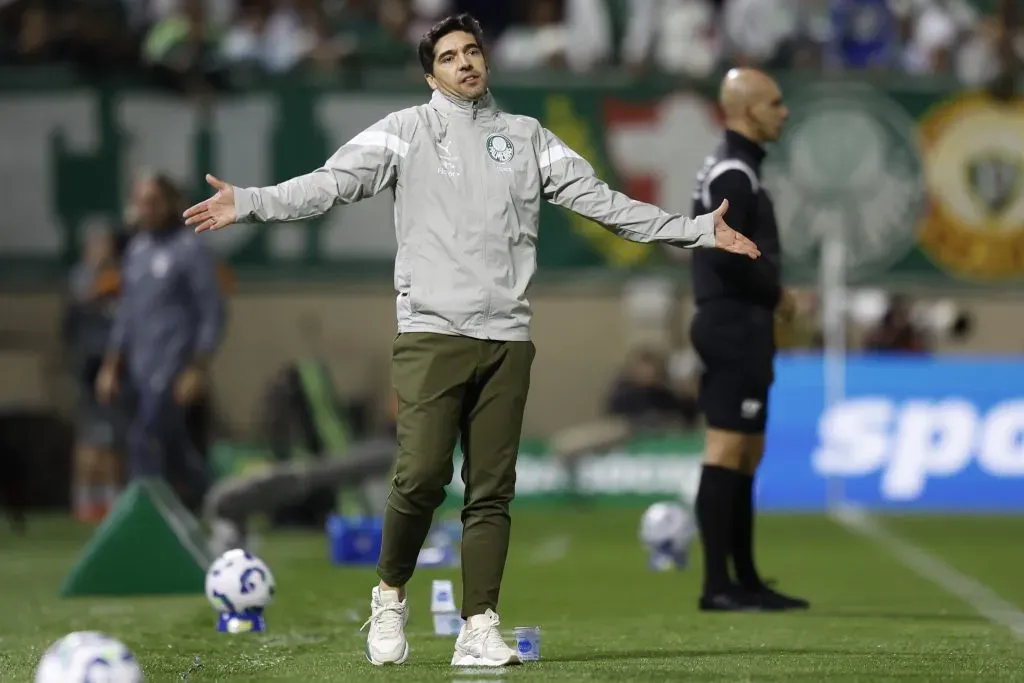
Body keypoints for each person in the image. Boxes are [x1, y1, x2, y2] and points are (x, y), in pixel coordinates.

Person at [183, 13, 759, 667]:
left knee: (490, 491)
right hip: (431, 333)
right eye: (450, 56)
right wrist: (252, 200)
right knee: (421, 475)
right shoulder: (406, 131)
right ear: (431, 74)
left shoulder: (529, 138)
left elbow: (605, 203)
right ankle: (389, 596)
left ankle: (478, 626)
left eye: (473, 51)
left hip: (507, 337)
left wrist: (698, 231)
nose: (465, 62)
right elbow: (331, 183)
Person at [689, 68, 809, 612]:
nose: (785, 111)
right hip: (732, 321)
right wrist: (778, 295)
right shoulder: (734, 173)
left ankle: (745, 580)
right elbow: (723, 247)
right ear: (746, 110)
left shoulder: (739, 169)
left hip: (743, 323)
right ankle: (718, 586)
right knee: (727, 446)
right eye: (776, 102)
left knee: (747, 451)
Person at [96, 171, 225, 514]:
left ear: (169, 203)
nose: (146, 209)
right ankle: (224, 502)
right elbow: (126, 314)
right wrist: (111, 365)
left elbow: (211, 311)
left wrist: (197, 368)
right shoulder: (137, 250)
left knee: (145, 439)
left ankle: (142, 520)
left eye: (153, 201)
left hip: (172, 368)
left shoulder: (189, 249)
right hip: (138, 368)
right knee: (174, 452)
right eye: (141, 202)